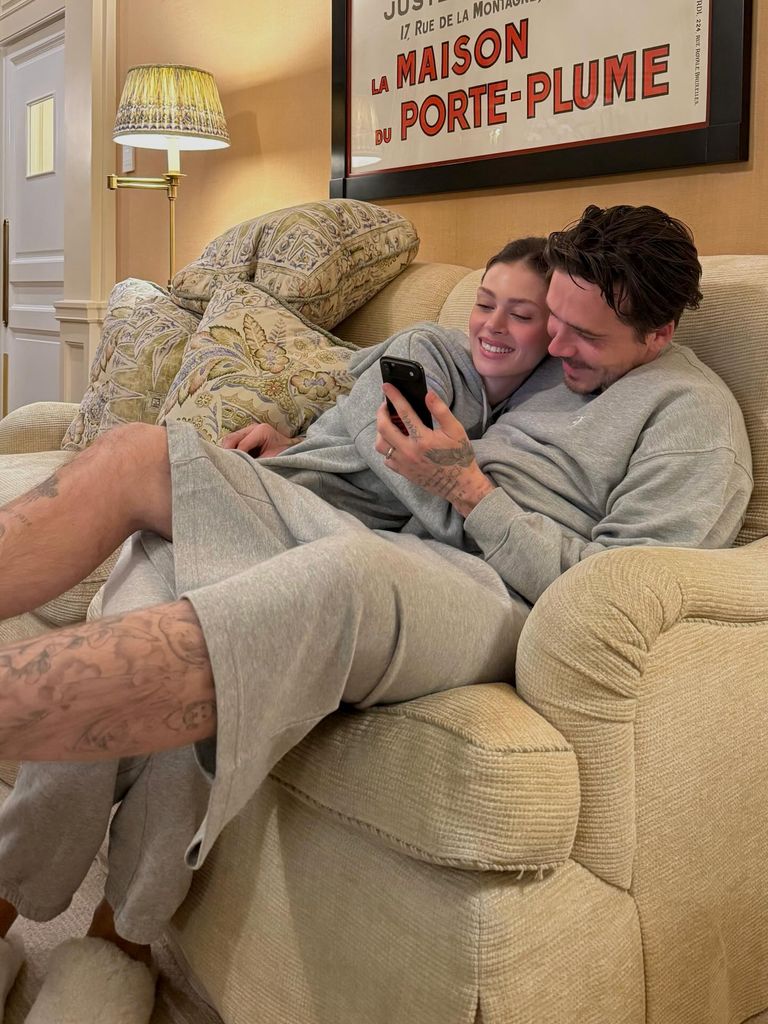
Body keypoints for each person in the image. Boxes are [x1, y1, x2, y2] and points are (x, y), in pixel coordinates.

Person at [0, 236, 557, 1019]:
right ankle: (14, 901)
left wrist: (437, 481)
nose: (493, 325)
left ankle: (119, 941)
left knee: (220, 686)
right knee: (128, 648)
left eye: (521, 315)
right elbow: (368, 442)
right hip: (265, 506)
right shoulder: (430, 351)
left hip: (327, 546)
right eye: (486, 303)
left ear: (554, 331)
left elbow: (422, 517)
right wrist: (305, 445)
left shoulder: (528, 418)